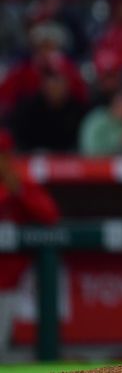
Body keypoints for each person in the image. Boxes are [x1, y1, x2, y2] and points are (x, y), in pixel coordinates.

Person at [0, 130, 60, 352]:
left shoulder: (21, 183)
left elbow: (50, 215)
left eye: (4, 155)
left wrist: (18, 190)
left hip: (9, 280)